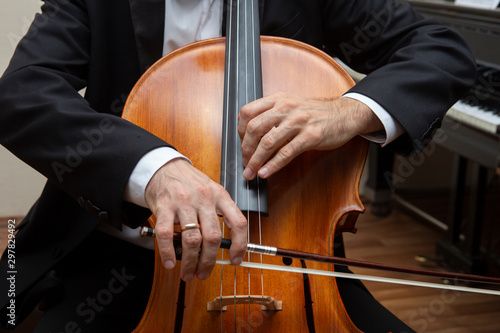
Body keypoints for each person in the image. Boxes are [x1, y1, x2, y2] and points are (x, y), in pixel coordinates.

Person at [0, 0, 475, 331]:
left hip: (289, 257)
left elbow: (442, 49)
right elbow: (21, 95)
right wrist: (155, 171)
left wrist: (349, 111)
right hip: (125, 253)